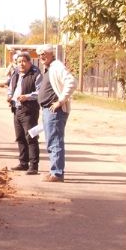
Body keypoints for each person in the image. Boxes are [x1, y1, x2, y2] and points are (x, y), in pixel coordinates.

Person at [36, 44, 77, 182]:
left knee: (55, 141)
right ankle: (54, 171)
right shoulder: (50, 68)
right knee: (51, 141)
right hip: (48, 110)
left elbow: (71, 82)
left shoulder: (57, 67)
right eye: (40, 55)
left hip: (55, 111)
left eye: (44, 54)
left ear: (51, 54)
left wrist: (60, 101)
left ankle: (57, 173)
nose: (41, 57)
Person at [7, 51, 43, 175]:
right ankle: (23, 163)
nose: (21, 64)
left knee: (31, 137)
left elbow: (40, 92)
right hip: (17, 109)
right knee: (20, 137)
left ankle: (34, 166)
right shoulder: (16, 73)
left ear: (29, 62)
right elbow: (11, 88)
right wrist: (9, 96)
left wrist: (27, 97)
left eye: (23, 61)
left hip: (29, 111)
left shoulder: (36, 74)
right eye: (19, 62)